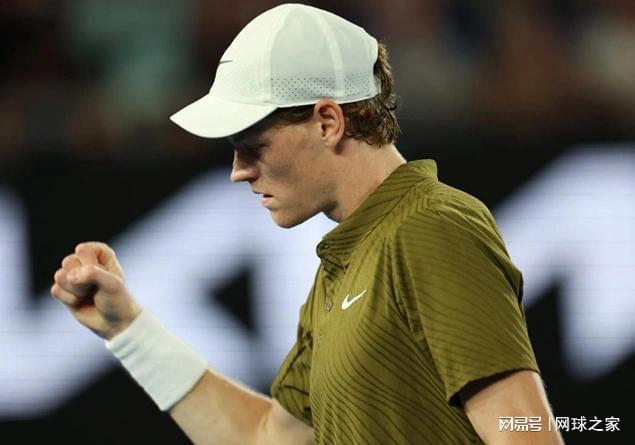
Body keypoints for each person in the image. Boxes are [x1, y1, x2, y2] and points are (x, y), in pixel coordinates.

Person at [51, 4, 564, 444]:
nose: (238, 171)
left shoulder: (430, 228)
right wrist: (126, 329)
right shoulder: (343, 267)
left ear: (327, 122)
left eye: (253, 147)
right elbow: (266, 436)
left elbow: (525, 431)